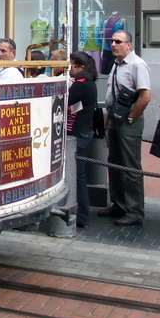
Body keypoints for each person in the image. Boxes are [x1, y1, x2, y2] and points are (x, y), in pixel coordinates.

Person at [99, 30, 151, 226]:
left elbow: (145, 96)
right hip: (115, 119)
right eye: (112, 41)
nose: (113, 44)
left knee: (130, 165)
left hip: (128, 121)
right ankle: (118, 204)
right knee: (115, 162)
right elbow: (112, 95)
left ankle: (134, 210)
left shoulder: (137, 65)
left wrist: (131, 118)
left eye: (118, 42)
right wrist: (108, 118)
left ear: (129, 45)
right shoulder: (117, 64)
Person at [68, 51, 98, 229]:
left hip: (79, 133)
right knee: (78, 175)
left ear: (81, 67)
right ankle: (82, 214)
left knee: (77, 175)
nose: (70, 69)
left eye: (73, 66)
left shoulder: (81, 85)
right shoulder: (89, 84)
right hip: (84, 132)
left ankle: (82, 215)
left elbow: (67, 100)